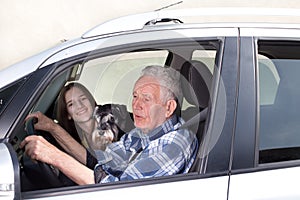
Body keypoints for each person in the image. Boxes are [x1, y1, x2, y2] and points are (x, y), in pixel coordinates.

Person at [20, 65, 198, 185]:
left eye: (146, 99)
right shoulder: (143, 133)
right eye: (135, 96)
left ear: (169, 108)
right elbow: (101, 162)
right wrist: (53, 130)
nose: (136, 105)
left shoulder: (175, 144)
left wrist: (53, 156)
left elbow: (117, 191)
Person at [25, 82, 98, 166]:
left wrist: (53, 127)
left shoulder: (111, 118)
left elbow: (96, 164)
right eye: (71, 104)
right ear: (68, 115)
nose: (79, 105)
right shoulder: (76, 139)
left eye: (83, 98)